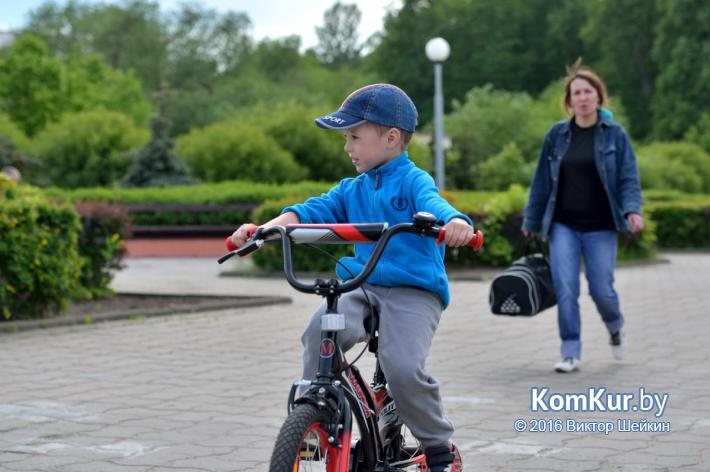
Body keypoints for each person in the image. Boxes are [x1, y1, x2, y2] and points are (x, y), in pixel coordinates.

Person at [231, 83, 471, 471]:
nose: (347, 147)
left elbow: (435, 205)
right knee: (318, 333)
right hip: (363, 285)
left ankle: (438, 446)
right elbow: (310, 211)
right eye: (346, 138)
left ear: (391, 137)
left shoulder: (413, 181)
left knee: (402, 368)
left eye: (355, 137)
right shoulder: (351, 189)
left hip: (413, 290)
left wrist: (455, 222)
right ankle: (316, 422)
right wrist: (264, 229)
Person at [522, 62, 644, 373]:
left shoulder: (615, 135)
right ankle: (570, 351)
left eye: (588, 91)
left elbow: (628, 177)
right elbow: (541, 182)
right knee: (565, 287)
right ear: (569, 100)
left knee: (601, 288)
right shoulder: (557, 135)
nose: (583, 97)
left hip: (601, 225)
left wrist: (632, 210)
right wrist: (531, 221)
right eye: (577, 93)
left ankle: (615, 326)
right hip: (563, 225)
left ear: (598, 96)